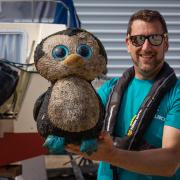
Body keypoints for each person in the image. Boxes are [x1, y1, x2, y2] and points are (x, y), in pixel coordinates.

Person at [45, 9, 180, 179]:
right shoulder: (109, 89)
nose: (146, 47)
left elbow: (170, 162)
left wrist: (110, 155)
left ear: (166, 43)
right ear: (128, 44)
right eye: (138, 39)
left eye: (154, 38)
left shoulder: (177, 94)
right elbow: (77, 119)